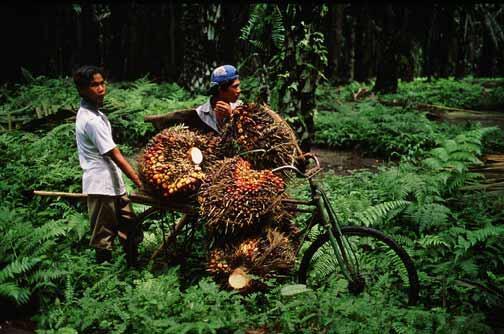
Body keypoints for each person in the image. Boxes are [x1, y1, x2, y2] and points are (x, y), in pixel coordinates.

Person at [73, 65, 143, 266]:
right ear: (82, 90)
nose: (101, 88)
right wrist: (139, 181)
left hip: (113, 184)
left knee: (131, 226)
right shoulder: (91, 120)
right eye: (95, 85)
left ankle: (133, 268)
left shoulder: (98, 115)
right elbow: (116, 155)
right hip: (101, 185)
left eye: (102, 83)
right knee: (103, 236)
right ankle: (105, 280)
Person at [150, 64, 241, 133]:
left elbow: (246, 141)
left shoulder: (240, 109)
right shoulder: (200, 114)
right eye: (235, 87)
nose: (239, 90)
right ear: (221, 89)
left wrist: (231, 116)